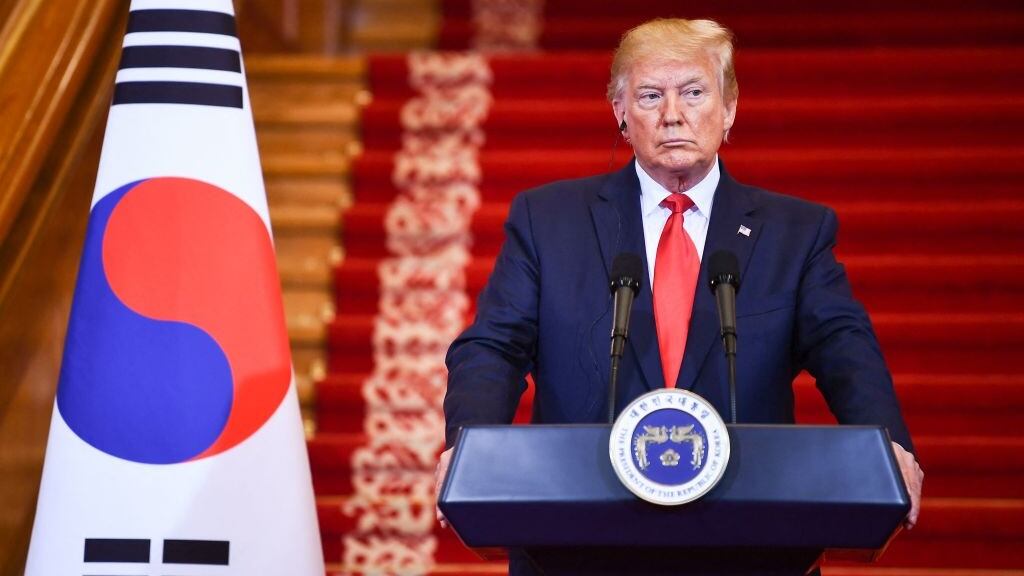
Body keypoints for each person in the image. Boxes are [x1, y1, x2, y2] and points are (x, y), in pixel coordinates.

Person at [436, 16, 924, 563]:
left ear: (729, 107)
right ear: (620, 112)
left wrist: (889, 445)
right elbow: (493, 347)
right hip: (579, 543)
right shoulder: (548, 220)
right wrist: (469, 445)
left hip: (747, 545)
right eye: (650, 95)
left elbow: (843, 345)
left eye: (693, 92)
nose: (673, 115)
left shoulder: (795, 231)